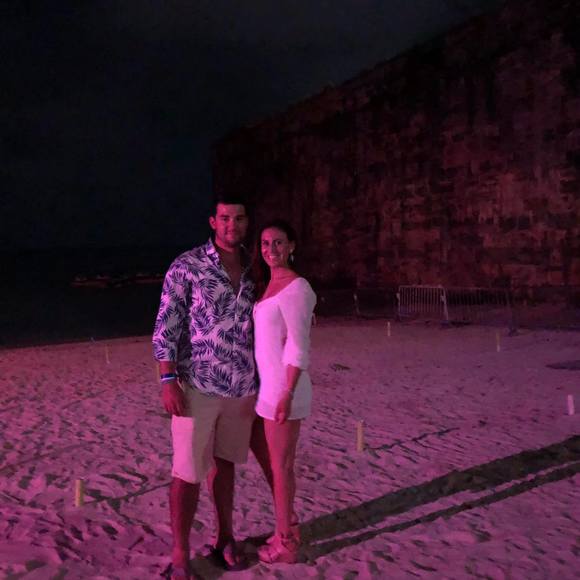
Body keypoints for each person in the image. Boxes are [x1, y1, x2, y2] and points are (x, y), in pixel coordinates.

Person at [152, 195, 257, 579]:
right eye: (225, 218)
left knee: (225, 464)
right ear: (213, 221)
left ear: (247, 222)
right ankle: (180, 554)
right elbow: (166, 325)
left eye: (239, 218)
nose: (233, 225)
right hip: (197, 384)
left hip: (242, 385)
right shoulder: (187, 265)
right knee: (187, 471)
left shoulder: (254, 267)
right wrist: (168, 380)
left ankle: (224, 537)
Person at [252, 219, 317, 564]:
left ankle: (286, 544)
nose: (271, 249)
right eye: (265, 243)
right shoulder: (269, 286)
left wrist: (287, 393)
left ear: (292, 246)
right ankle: (285, 526)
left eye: (278, 242)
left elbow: (298, 346)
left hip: (284, 390)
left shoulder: (297, 288)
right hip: (269, 388)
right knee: (278, 466)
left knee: (281, 467)